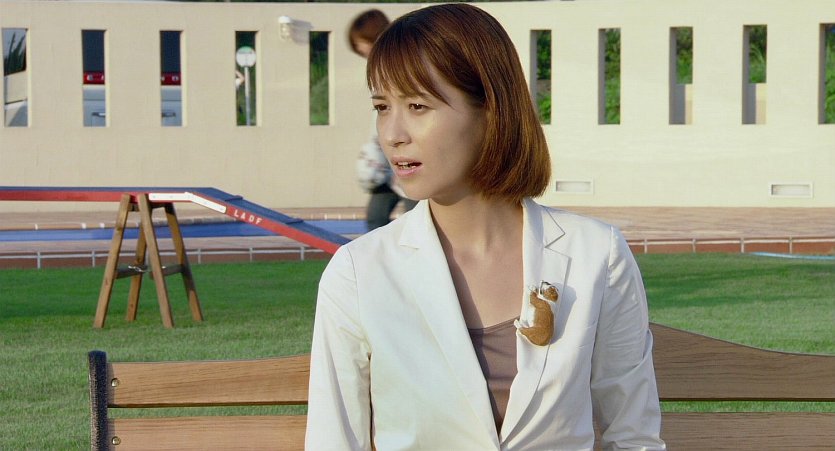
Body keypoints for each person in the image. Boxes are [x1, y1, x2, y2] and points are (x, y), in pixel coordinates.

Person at [307, 4, 665, 450]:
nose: (393, 134)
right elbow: (334, 440)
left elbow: (633, 436)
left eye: (417, 106)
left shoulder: (596, 255)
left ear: (491, 110)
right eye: (382, 107)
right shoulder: (358, 273)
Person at [348, 9, 418, 231]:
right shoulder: (381, 70)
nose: (360, 50)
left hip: (406, 157)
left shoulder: (399, 67)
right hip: (386, 164)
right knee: (376, 218)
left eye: (361, 43)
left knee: (418, 218)